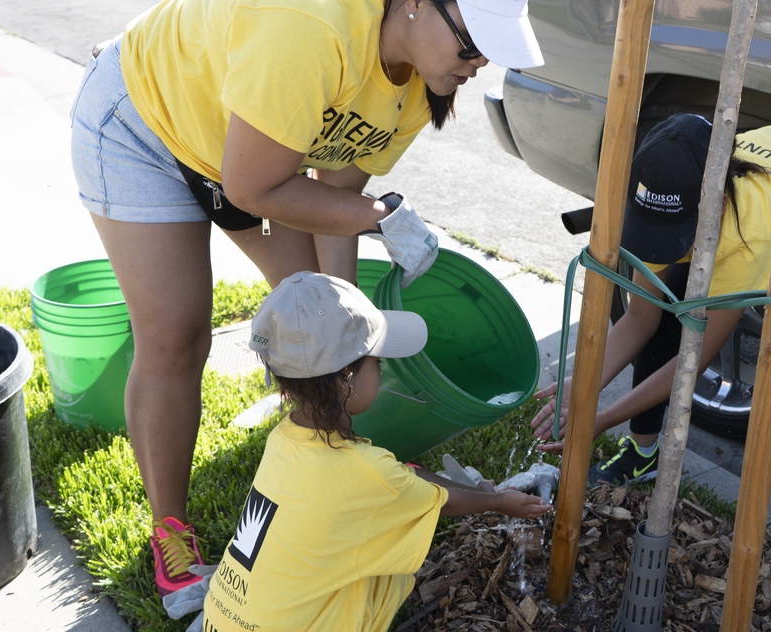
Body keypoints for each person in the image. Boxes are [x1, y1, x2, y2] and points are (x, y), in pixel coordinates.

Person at [68, 0, 544, 596]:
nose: (479, 65)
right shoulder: (311, 26)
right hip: (147, 123)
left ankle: (336, 481)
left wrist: (345, 314)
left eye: (491, 53)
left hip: (253, 152)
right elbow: (255, 186)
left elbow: (331, 197)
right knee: (175, 336)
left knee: (318, 326)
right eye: (472, 45)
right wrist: (381, 218)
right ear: (419, 4)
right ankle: (172, 536)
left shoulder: (420, 85)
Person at [160, 272, 552, 632]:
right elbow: (438, 501)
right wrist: (497, 502)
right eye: (378, 361)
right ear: (348, 377)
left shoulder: (283, 439)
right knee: (390, 568)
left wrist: (484, 493)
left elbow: (396, 476)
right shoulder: (369, 474)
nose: (383, 368)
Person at [530, 113, 771, 526]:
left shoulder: (748, 235)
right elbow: (640, 318)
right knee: (667, 318)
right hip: (765, 178)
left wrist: (602, 419)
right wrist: (583, 383)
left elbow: (695, 359)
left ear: (712, 204)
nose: (662, 247)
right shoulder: (660, 195)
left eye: (674, 236)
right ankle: (642, 453)